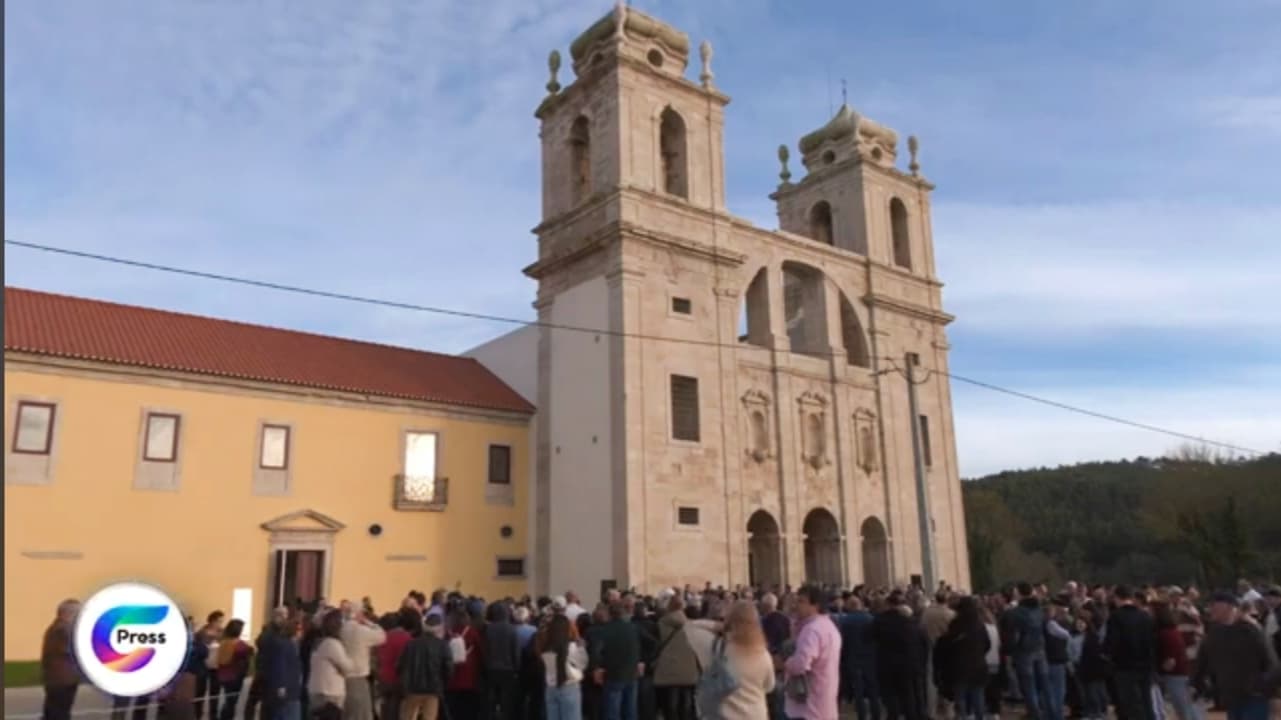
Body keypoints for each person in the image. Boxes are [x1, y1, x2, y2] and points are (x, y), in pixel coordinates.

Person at [1192, 592, 1281, 720]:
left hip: (1253, 697)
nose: (1210, 609)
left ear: (1229, 606)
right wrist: (1198, 683)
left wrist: (1261, 687)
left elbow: (1272, 663)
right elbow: (1203, 660)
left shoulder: (1251, 631)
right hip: (1231, 696)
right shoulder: (1214, 633)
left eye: (1214, 605)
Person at [782, 586, 841, 720]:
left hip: (809, 706)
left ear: (815, 605)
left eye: (801, 601)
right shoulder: (829, 626)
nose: (796, 605)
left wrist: (785, 663)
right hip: (825, 701)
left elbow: (801, 665)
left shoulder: (811, 630)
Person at [1105, 586, 1157, 720]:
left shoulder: (1116, 617)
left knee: (1131, 704)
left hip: (1124, 667)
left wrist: (1107, 654)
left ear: (1117, 598)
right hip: (1145, 665)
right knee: (1147, 703)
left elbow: (1112, 642)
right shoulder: (1144, 616)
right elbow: (1152, 641)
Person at [717, 601, 775, 720]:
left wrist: (718, 626)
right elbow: (769, 686)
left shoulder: (721, 649)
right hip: (755, 713)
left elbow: (694, 626)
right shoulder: (763, 654)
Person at [935, 597, 990, 720]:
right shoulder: (980, 625)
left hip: (959, 668)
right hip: (978, 666)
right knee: (978, 699)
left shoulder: (955, 624)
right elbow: (987, 644)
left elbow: (948, 645)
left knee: (961, 700)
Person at [591, 602, 643, 720]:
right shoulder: (633, 627)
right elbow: (649, 643)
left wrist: (597, 668)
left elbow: (596, 651)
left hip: (613, 673)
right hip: (631, 673)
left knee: (612, 711)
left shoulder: (605, 630)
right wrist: (641, 660)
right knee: (630, 710)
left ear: (609, 614)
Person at [653, 596, 700, 720]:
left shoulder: (662, 622)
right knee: (687, 702)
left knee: (671, 703)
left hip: (669, 667)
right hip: (689, 667)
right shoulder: (691, 625)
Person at [1153, 602, 1202, 720]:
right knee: (1189, 708)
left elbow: (1170, 661)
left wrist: (1158, 672)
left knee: (1184, 709)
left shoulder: (1165, 634)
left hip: (1175, 675)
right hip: (1182, 672)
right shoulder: (1173, 631)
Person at [398, 615, 452, 720]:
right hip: (433, 688)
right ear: (440, 628)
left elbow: (400, 665)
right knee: (429, 717)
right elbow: (448, 669)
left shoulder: (411, 644)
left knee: (408, 716)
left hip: (412, 688)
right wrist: (443, 683)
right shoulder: (443, 645)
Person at [339, 602, 387, 720]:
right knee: (362, 714)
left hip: (341, 678)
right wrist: (368, 622)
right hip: (358, 678)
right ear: (359, 614)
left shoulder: (340, 629)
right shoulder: (361, 631)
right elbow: (382, 636)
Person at [541, 614, 589, 720]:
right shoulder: (571, 647)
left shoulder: (545, 648)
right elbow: (583, 663)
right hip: (569, 687)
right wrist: (581, 646)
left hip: (551, 689)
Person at [837, 597, 879, 720]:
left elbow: (842, 642)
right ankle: (875, 715)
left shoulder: (845, 621)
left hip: (853, 658)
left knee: (858, 691)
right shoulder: (871, 619)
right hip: (870, 658)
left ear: (849, 606)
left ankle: (862, 716)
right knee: (873, 690)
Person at [311, 610, 357, 720]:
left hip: (318, 690)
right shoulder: (333, 644)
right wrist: (351, 660)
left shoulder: (320, 642)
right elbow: (348, 667)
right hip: (330, 693)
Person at [42, 599, 82, 720]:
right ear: (67, 613)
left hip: (60, 678)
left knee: (55, 710)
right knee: (59, 712)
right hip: (62, 679)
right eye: (78, 613)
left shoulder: (59, 628)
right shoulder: (62, 629)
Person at [215, 620, 255, 720]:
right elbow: (249, 651)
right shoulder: (240, 645)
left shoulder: (223, 642)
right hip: (235, 676)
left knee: (229, 701)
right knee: (231, 703)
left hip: (223, 675)